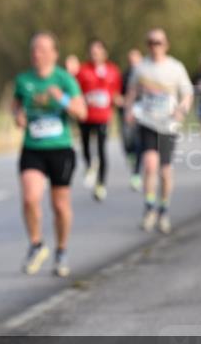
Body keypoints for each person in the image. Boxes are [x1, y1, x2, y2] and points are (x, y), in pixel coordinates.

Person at [12, 32, 86, 278]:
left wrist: (62, 98)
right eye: (34, 49)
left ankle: (62, 250)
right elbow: (16, 104)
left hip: (60, 149)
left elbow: (81, 112)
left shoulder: (64, 79)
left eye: (43, 49)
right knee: (30, 198)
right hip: (33, 148)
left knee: (59, 205)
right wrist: (18, 116)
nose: (37, 54)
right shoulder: (23, 80)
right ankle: (36, 245)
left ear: (54, 53)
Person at [124, 29, 193, 234]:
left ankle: (163, 210)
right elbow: (132, 91)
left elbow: (187, 93)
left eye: (159, 42)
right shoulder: (141, 68)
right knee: (149, 165)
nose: (155, 46)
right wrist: (128, 110)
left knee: (165, 171)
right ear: (147, 45)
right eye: (151, 42)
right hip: (147, 122)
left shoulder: (175, 68)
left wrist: (182, 110)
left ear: (166, 44)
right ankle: (149, 209)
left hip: (168, 125)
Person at [75, 38, 121, 201]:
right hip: (86, 116)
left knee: (102, 150)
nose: (95, 55)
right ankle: (89, 165)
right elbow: (76, 91)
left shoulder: (113, 70)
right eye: (92, 52)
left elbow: (115, 92)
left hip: (103, 116)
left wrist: (116, 102)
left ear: (104, 53)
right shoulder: (82, 70)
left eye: (98, 52)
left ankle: (101, 184)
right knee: (86, 146)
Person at [118, 48, 144, 191]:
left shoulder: (146, 75)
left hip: (142, 113)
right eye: (130, 60)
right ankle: (130, 155)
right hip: (127, 111)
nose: (133, 63)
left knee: (139, 141)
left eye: (136, 60)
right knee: (127, 140)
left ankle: (136, 174)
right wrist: (122, 101)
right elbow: (120, 93)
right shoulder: (125, 75)